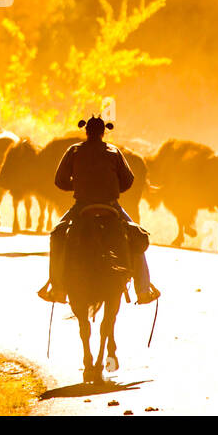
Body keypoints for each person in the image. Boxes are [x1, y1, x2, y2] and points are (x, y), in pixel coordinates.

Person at [36, 116, 160, 305]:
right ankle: (143, 290)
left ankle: (58, 289)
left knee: (56, 237)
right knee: (136, 236)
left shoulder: (74, 150)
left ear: (86, 131)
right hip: (111, 206)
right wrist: (111, 187)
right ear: (104, 132)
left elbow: (59, 181)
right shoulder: (114, 151)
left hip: (82, 206)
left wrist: (77, 185)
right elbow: (128, 180)